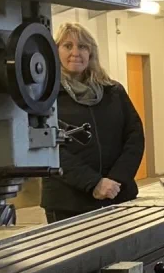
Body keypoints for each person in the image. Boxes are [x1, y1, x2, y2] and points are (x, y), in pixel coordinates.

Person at [41, 21, 144, 223]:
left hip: (117, 196)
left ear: (91, 52)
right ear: (55, 51)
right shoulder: (45, 96)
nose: (75, 52)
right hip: (68, 203)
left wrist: (115, 181)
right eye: (67, 46)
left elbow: (134, 137)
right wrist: (93, 183)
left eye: (82, 46)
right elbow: (48, 147)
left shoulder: (113, 92)